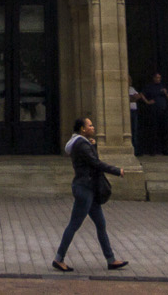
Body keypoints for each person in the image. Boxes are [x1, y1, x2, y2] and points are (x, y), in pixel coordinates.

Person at [52, 116, 127, 273]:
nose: (93, 128)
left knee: (101, 224)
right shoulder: (81, 144)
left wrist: (93, 146)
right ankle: (58, 259)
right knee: (74, 224)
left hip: (89, 188)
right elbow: (96, 163)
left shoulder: (83, 144)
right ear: (82, 129)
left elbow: (92, 160)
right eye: (90, 125)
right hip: (84, 189)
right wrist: (116, 171)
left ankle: (111, 260)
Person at [139, 74, 168, 156]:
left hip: (163, 111)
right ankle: (152, 150)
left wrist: (166, 93)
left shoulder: (163, 86)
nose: (158, 79)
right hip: (154, 111)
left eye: (159, 77)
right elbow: (142, 94)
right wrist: (147, 102)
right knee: (154, 131)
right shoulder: (149, 87)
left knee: (164, 130)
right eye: (157, 77)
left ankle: (165, 150)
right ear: (153, 78)